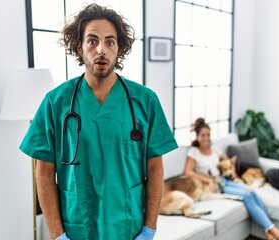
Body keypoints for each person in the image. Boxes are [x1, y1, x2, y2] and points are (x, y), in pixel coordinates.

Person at [20, 3, 178, 240]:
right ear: (79, 46)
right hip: (77, 227)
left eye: (110, 42)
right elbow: (43, 172)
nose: (101, 50)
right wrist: (57, 234)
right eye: (92, 41)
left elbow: (155, 168)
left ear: (119, 48)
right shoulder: (55, 102)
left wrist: (149, 229)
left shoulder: (145, 101)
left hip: (129, 226)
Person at [184, 118, 279, 240]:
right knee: (247, 195)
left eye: (208, 135)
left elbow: (229, 161)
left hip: (224, 180)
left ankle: (269, 231)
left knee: (251, 192)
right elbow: (188, 172)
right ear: (197, 137)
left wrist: (234, 176)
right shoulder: (194, 152)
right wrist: (208, 181)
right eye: (203, 135)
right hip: (215, 186)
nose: (206, 138)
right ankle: (278, 234)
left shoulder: (214, 149)